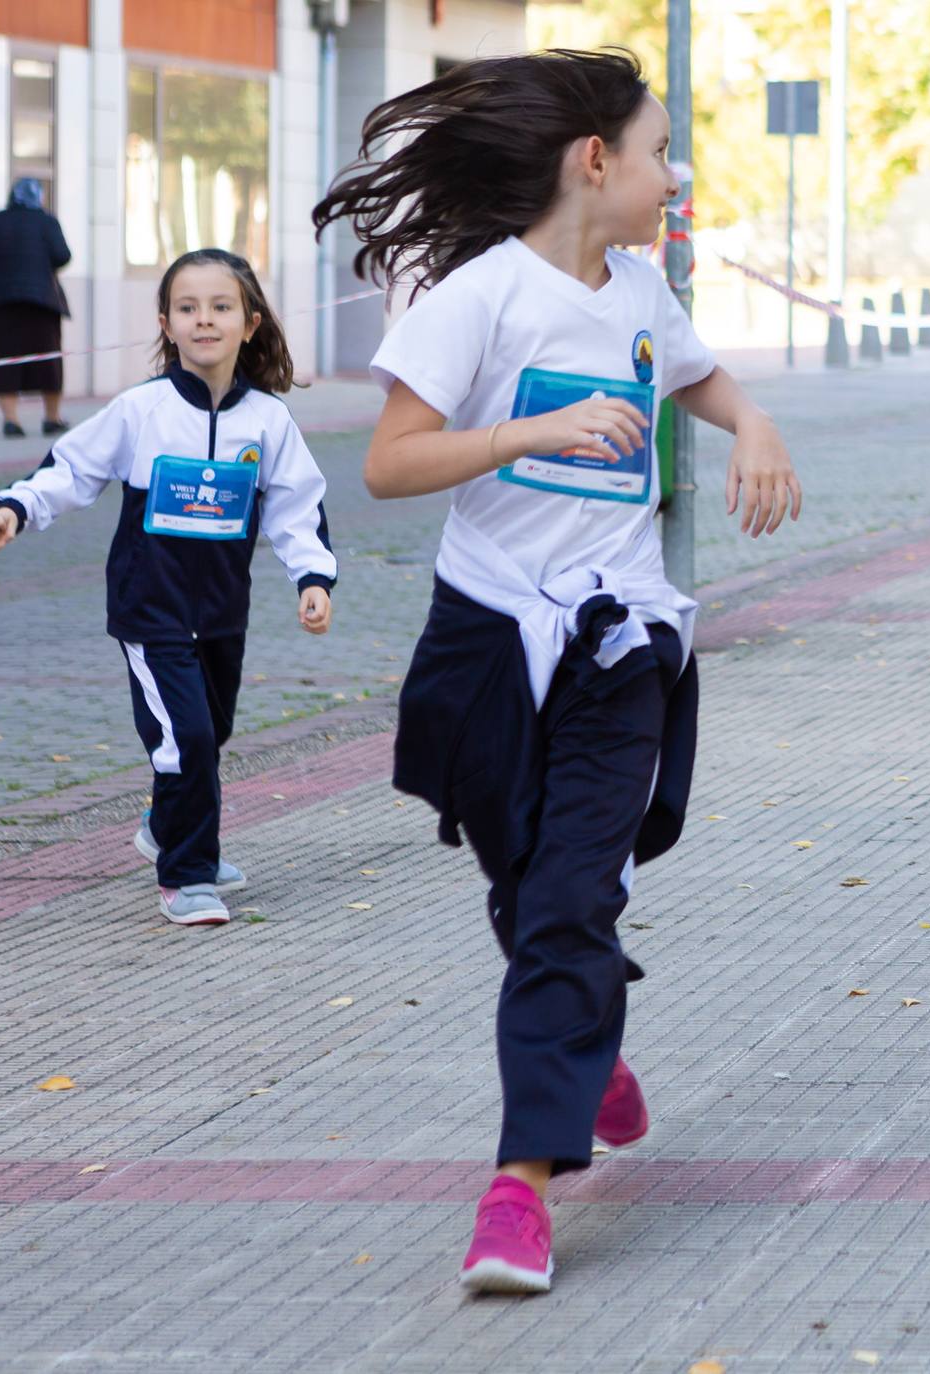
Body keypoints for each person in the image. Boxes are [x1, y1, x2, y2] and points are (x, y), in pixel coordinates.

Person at [311, 48, 804, 1295]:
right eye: (660, 151)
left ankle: (520, 1185)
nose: (674, 174)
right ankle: (587, 1045)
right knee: (527, 889)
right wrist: (532, 429)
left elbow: (699, 375)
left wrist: (754, 424)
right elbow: (391, 465)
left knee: (575, 892)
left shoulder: (642, 286)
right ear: (596, 162)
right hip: (487, 640)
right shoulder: (478, 297)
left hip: (619, 641)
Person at [0, 248, 336, 925]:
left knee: (209, 731)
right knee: (187, 737)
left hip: (223, 613)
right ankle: (188, 874)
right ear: (166, 323)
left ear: (249, 323)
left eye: (221, 307)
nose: (204, 320)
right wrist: (16, 508)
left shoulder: (268, 420)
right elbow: (71, 469)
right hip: (151, 610)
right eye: (188, 308)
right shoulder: (141, 411)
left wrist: (312, 578)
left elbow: (295, 504)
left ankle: (169, 826)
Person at [0, 178, 72, 438]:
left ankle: (12, 421)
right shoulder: (47, 221)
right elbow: (62, 255)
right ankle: (51, 418)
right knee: (48, 360)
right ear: (38, 196)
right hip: (41, 301)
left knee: (5, 359)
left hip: (2, 302)